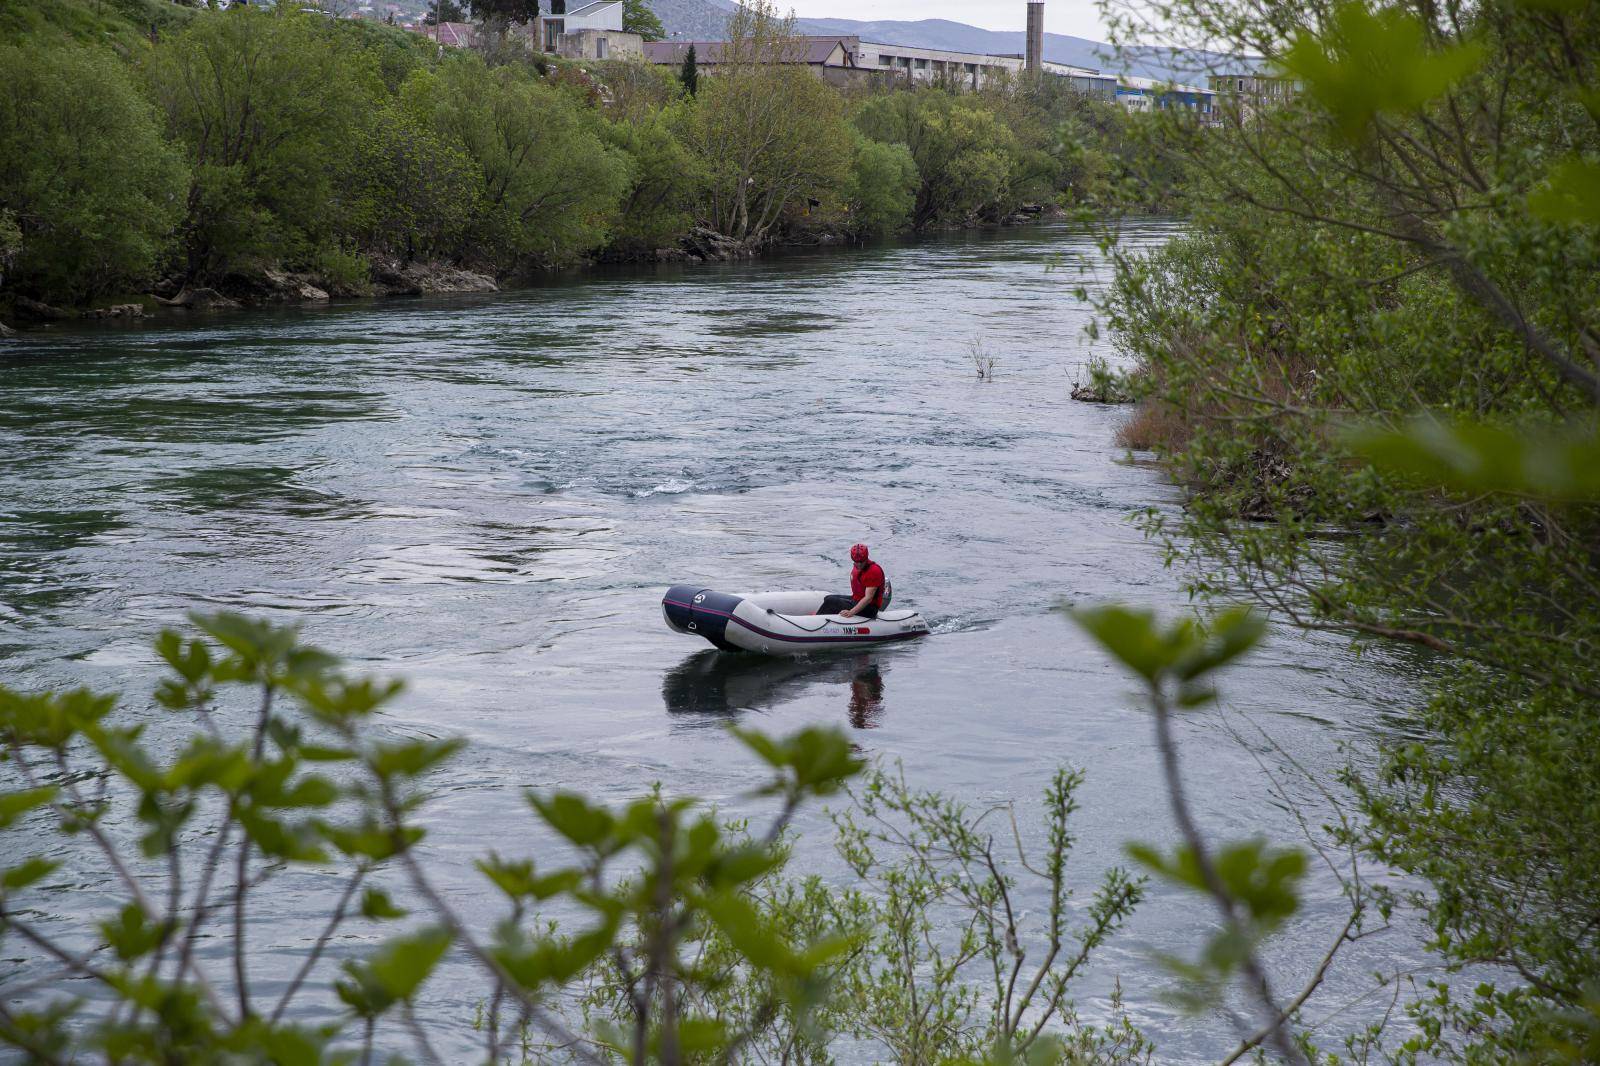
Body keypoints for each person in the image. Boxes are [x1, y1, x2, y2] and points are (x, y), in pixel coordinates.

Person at [816, 544, 891, 619]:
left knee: (830, 601)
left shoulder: (873, 571)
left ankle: (816, 622)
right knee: (827, 598)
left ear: (866, 557)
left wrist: (851, 612)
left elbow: (868, 598)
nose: (859, 564)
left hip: (869, 608)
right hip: (856, 600)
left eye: (861, 561)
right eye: (856, 562)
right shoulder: (858, 565)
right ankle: (826, 620)